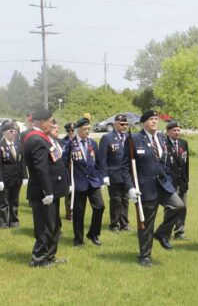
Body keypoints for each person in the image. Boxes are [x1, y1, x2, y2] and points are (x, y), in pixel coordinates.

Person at [121, 110, 185, 267]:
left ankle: (162, 233)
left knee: (178, 206)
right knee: (146, 223)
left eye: (156, 119)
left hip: (163, 184)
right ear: (144, 122)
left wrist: (169, 180)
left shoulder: (162, 138)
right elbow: (125, 167)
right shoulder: (134, 139)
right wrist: (130, 188)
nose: (155, 122)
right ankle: (145, 256)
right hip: (145, 186)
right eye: (151, 119)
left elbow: (164, 164)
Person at [25, 109, 66, 267]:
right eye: (51, 121)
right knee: (45, 227)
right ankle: (38, 259)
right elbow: (40, 169)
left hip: (52, 190)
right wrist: (47, 191)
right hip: (44, 193)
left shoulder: (42, 138)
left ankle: (49, 255)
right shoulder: (36, 139)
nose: (52, 124)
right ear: (42, 122)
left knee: (54, 225)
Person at [64, 117, 105, 247]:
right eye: (84, 129)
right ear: (77, 130)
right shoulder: (70, 144)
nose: (87, 131)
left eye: (88, 129)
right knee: (79, 212)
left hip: (93, 181)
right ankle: (78, 240)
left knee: (100, 206)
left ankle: (93, 233)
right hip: (78, 183)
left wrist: (101, 178)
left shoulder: (93, 143)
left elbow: (98, 163)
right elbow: (65, 164)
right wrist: (69, 183)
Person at [98, 114, 130, 232]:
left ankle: (124, 224)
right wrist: (104, 175)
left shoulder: (128, 137)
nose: (124, 126)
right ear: (116, 124)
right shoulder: (107, 137)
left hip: (126, 174)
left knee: (125, 199)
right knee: (116, 199)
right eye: (122, 124)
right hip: (113, 174)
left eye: (125, 124)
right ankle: (114, 224)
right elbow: (102, 159)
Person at [0, 122, 27, 229]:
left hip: (17, 178)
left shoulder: (18, 145)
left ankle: (14, 221)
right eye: (11, 131)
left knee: (15, 201)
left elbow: (22, 162)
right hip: (5, 178)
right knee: (4, 202)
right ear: (5, 133)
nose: (14, 133)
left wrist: (25, 176)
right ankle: (4, 222)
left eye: (15, 131)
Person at [165, 120, 190, 240]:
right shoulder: (163, 144)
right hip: (169, 182)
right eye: (174, 130)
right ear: (168, 132)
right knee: (171, 208)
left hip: (182, 181)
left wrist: (186, 180)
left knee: (183, 207)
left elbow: (186, 164)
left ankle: (180, 232)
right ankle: (166, 232)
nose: (177, 132)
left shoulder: (183, 143)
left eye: (178, 130)